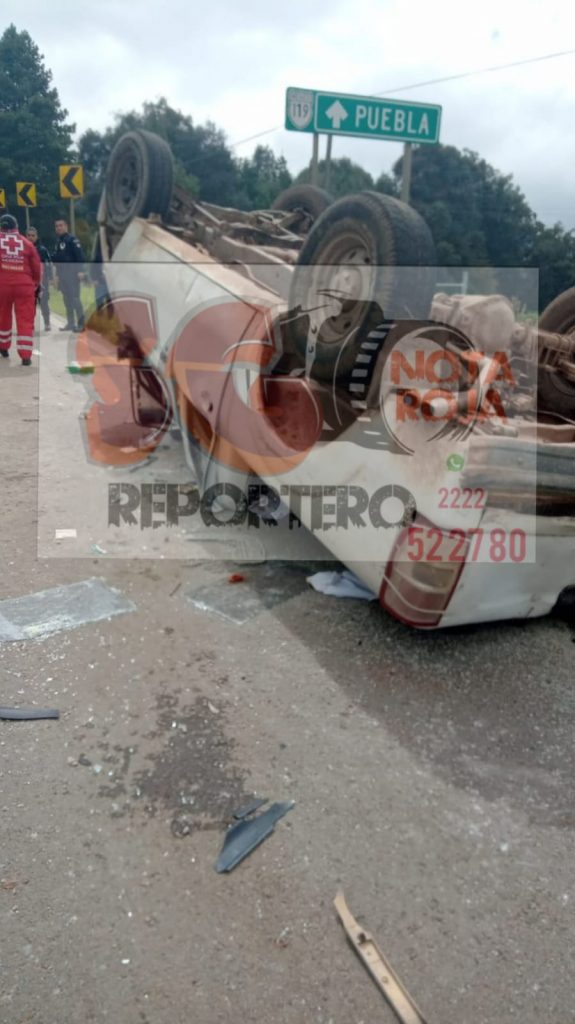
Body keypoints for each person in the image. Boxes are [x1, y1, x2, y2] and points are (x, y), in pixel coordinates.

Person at [0, 212, 41, 366]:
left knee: (3, 316)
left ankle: (3, 347)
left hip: (2, 285)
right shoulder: (27, 243)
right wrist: (35, 282)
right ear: (16, 226)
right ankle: (25, 356)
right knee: (25, 319)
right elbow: (36, 267)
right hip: (24, 285)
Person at [52, 217, 85, 331]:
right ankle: (70, 323)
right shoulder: (58, 242)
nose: (59, 228)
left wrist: (81, 271)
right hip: (62, 275)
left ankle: (82, 324)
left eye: (61, 225)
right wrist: (56, 275)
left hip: (73, 274)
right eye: (57, 226)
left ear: (66, 226)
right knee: (66, 299)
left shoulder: (72, 240)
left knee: (75, 299)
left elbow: (79, 256)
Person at [26, 226, 52, 330]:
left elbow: (48, 265)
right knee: (30, 304)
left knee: (44, 302)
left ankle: (47, 323)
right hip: (28, 281)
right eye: (29, 235)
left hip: (42, 281)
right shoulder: (23, 248)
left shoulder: (42, 250)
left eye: (33, 236)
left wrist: (49, 279)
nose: (31, 237)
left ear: (37, 236)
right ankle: (30, 324)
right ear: (25, 236)